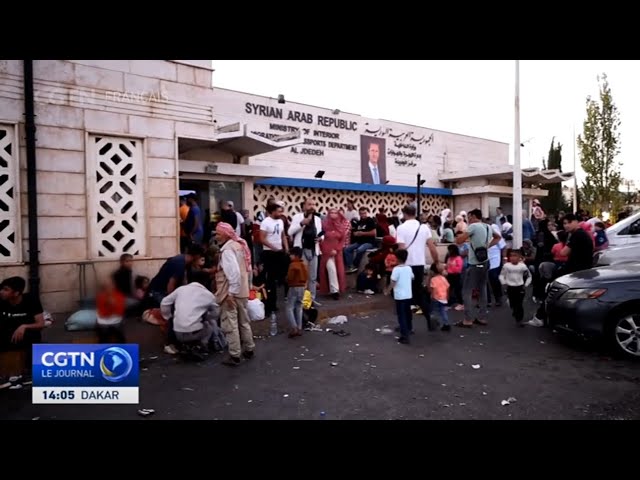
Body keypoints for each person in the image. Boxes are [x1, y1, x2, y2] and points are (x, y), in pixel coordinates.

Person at [147, 244, 204, 355]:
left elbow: (184, 281)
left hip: (161, 289)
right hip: (158, 291)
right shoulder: (179, 264)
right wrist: (173, 300)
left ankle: (178, 339)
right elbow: (171, 285)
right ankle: (168, 344)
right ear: (196, 256)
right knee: (173, 314)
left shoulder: (183, 261)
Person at [215, 222, 255, 366]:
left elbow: (233, 273)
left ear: (225, 234)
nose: (216, 236)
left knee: (230, 323)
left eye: (218, 233)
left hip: (231, 292)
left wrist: (231, 293)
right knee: (244, 321)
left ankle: (235, 354)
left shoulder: (227, 250)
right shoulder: (240, 245)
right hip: (243, 290)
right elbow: (248, 269)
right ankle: (249, 348)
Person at [396, 204, 439, 331]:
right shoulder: (424, 227)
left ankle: (407, 326)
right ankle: (429, 315)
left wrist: (398, 266)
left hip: (406, 265)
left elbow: (401, 249)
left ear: (404, 214)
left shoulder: (401, 228)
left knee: (405, 296)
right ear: (415, 213)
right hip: (419, 264)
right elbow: (432, 247)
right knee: (418, 293)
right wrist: (436, 262)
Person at [455, 208, 500, 328]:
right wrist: (486, 246)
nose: (468, 220)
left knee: (466, 291)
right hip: (485, 262)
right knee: (482, 288)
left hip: (475, 263)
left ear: (474, 216)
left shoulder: (473, 226)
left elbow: (459, 240)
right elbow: (498, 237)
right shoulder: (488, 227)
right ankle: (482, 317)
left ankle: (468, 319)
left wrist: (461, 234)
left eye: (469, 217)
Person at [160, 270, 219, 354]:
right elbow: (216, 313)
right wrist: (206, 318)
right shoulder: (208, 295)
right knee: (209, 327)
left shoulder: (181, 289)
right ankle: (201, 346)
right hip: (194, 332)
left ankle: (180, 345)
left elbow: (164, 302)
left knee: (176, 319)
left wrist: (168, 317)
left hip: (177, 332)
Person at [0, 277, 45, 371]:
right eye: (2, 289)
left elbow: (41, 324)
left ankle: (29, 374)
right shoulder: (1, 301)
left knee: (31, 349)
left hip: (27, 336)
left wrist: (24, 326)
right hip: (6, 335)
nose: (1, 292)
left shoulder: (31, 300)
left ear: (16, 293)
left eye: (6, 290)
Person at [288, 198, 323, 302]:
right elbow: (290, 232)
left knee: (313, 277)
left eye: (313, 204)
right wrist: (301, 224)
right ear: (304, 206)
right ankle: (300, 298)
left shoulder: (317, 219)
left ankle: (311, 299)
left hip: (314, 250)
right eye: (309, 204)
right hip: (302, 250)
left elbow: (321, 233)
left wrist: (321, 238)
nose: (311, 206)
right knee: (302, 276)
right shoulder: (297, 217)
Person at [260, 202, 289, 322]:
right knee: (270, 280)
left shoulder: (281, 221)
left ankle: (285, 299)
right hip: (269, 253)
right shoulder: (266, 222)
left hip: (280, 252)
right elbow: (262, 238)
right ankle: (270, 305)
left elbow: (283, 235)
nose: (280, 213)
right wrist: (272, 247)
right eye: (278, 211)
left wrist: (286, 247)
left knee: (283, 276)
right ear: (272, 211)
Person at [386, 249, 414, 344]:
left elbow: (393, 282)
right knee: (407, 313)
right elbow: (412, 277)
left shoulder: (396, 269)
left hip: (399, 296)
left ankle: (404, 335)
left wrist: (387, 290)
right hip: (408, 295)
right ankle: (409, 328)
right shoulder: (409, 268)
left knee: (401, 315)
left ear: (397, 258)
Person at [319, 207, 347, 300]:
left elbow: (342, 240)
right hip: (326, 252)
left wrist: (337, 249)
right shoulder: (324, 225)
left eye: (335, 213)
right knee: (331, 270)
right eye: (331, 213)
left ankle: (337, 289)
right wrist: (326, 249)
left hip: (337, 252)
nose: (333, 215)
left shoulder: (341, 226)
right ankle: (334, 291)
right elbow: (320, 238)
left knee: (339, 271)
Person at [499, 249, 532, 327]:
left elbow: (529, 276)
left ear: (519, 257)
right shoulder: (506, 266)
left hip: (520, 287)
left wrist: (526, 285)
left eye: (515, 256)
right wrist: (503, 283)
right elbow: (501, 275)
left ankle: (519, 320)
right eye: (511, 256)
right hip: (510, 287)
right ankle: (514, 310)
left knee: (519, 304)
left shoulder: (522, 266)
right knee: (512, 303)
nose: (513, 258)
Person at [344, 207, 377, 273]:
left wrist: (362, 233)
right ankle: (351, 266)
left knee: (360, 250)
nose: (363, 215)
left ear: (366, 213)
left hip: (369, 242)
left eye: (364, 213)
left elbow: (374, 233)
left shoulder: (370, 221)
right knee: (347, 249)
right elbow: (354, 232)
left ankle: (355, 265)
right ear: (359, 214)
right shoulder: (359, 222)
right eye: (361, 213)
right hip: (359, 241)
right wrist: (355, 233)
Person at [95, 275, 127, 343]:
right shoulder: (100, 297)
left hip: (116, 321)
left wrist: (114, 305)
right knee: (103, 336)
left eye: (110, 285)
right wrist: (108, 304)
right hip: (104, 322)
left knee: (120, 336)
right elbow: (102, 313)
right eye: (106, 287)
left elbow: (121, 311)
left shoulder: (119, 296)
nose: (108, 288)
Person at [285, 247, 308, 338]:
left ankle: (294, 327)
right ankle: (299, 327)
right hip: (302, 287)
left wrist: (286, 279)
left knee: (289, 308)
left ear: (295, 255)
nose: (290, 256)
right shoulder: (304, 264)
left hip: (293, 287)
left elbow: (290, 277)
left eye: (291, 254)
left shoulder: (293, 265)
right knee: (299, 307)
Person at [429, 263, 451, 331]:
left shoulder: (433, 279)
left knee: (433, 311)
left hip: (436, 298)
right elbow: (448, 287)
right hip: (444, 298)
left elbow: (433, 288)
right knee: (443, 311)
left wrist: (432, 296)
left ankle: (434, 324)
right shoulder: (443, 278)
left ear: (432, 271)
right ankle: (446, 324)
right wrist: (447, 296)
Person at [446, 244, 464, 310]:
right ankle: (449, 303)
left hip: (456, 276)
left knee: (457, 290)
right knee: (448, 290)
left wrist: (450, 269)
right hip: (449, 275)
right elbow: (447, 265)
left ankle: (461, 304)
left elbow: (458, 269)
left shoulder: (458, 258)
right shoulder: (449, 258)